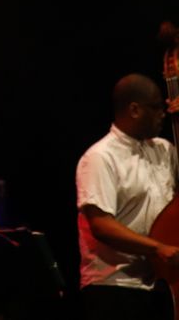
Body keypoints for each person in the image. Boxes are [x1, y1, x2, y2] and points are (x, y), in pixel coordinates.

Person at [77, 73, 179, 320]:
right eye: (156, 107)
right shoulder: (100, 157)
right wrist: (158, 248)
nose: (163, 113)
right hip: (114, 287)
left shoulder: (164, 150)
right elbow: (101, 225)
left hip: (158, 284)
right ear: (134, 109)